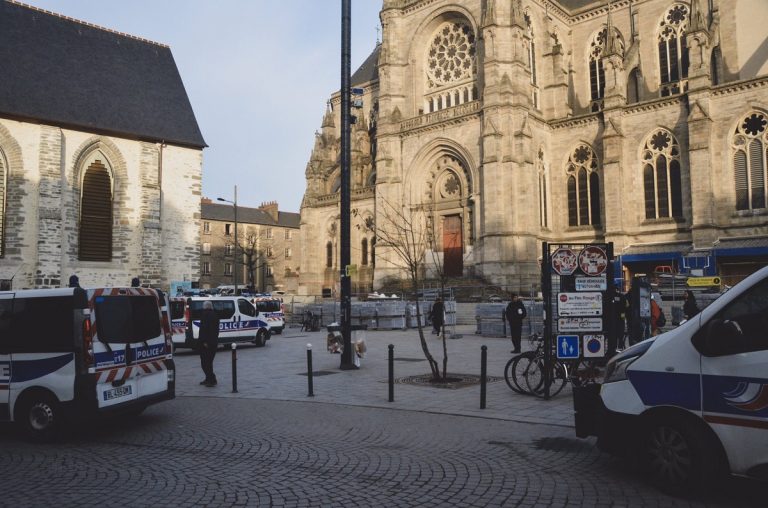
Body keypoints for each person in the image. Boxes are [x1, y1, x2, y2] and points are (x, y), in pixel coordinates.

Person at [199, 300, 220, 387]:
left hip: (207, 343)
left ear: (205, 307)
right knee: (208, 362)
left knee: (206, 363)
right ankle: (208, 378)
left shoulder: (207, 315)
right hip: (213, 342)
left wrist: (205, 341)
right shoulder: (214, 314)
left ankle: (212, 380)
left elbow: (207, 329)